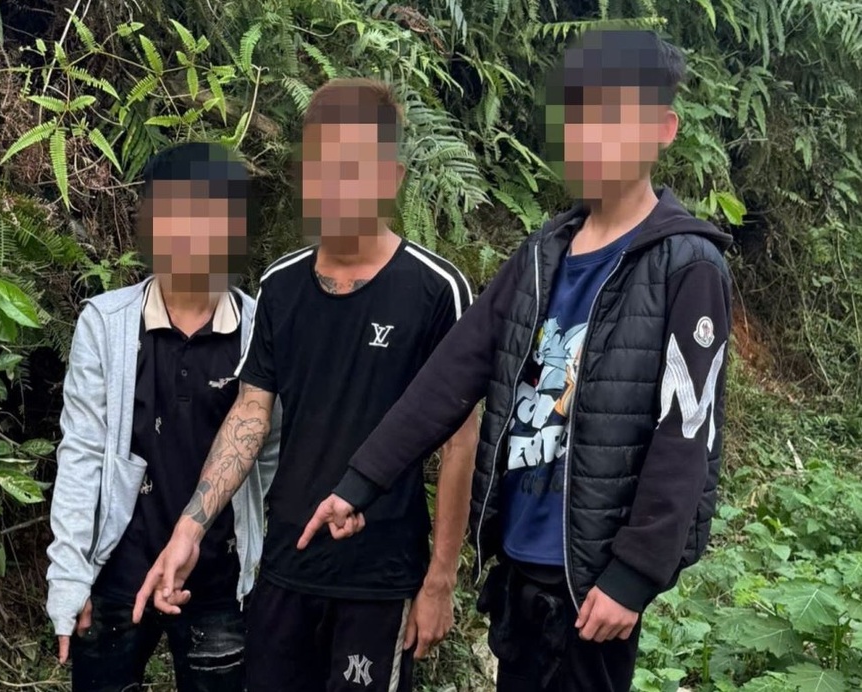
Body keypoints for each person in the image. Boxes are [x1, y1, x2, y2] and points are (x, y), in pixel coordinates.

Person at [301, 29, 734, 691]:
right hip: (519, 565)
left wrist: (636, 572)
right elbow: (452, 374)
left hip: (594, 585)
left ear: (662, 129)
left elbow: (687, 431)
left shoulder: (687, 264)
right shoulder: (542, 254)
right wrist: (362, 482)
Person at [132, 78, 480, 692]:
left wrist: (440, 580)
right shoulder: (281, 285)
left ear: (391, 178)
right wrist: (190, 528)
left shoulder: (435, 289)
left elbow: (460, 441)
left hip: (378, 577)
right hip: (285, 568)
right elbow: (251, 412)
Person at [45, 141, 281, 692]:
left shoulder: (259, 330)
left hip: (219, 580)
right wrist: (70, 577)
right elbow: (81, 453)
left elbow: (269, 450)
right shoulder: (106, 325)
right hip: (117, 571)